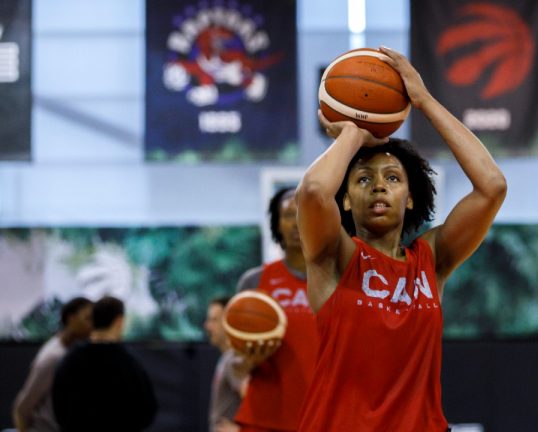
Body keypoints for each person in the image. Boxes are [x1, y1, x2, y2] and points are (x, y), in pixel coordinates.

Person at [295, 46, 507, 431]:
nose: (379, 186)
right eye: (363, 179)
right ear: (345, 198)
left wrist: (424, 101)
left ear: (410, 198)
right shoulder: (334, 255)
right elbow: (311, 192)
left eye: (392, 178)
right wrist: (354, 133)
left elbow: (491, 187)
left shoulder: (432, 259)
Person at [233, 187, 320, 432]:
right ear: (276, 223)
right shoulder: (254, 281)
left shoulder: (340, 279)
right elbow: (234, 358)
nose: (296, 223)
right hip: (265, 415)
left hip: (324, 413)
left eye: (304, 214)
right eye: (289, 215)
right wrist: (247, 359)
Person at [52, 296, 157, 432]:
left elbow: (59, 409)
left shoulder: (70, 360)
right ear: (119, 321)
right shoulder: (129, 364)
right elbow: (147, 411)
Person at [12, 296, 93, 432]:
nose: (92, 325)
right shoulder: (54, 357)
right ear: (71, 318)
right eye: (87, 318)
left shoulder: (72, 352)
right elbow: (22, 408)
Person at [205, 296, 248, 432]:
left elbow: (256, 402)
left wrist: (242, 431)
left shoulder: (234, 359)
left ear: (231, 321)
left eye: (214, 320)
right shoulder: (226, 358)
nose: (207, 326)